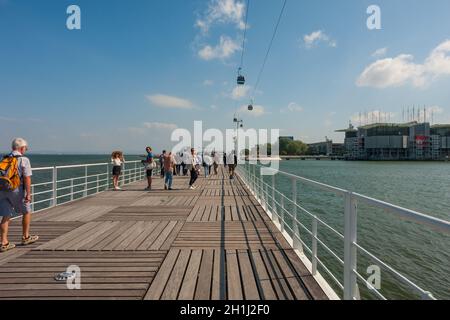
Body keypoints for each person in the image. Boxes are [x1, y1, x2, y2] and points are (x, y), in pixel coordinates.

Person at [0, 138, 39, 253]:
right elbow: (27, 177)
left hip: (2, 190)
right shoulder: (24, 160)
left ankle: (3, 242)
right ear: (21, 148)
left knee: (6, 215)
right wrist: (28, 194)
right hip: (16, 190)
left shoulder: (4, 158)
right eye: (25, 148)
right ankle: (25, 237)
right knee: (26, 211)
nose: (25, 150)